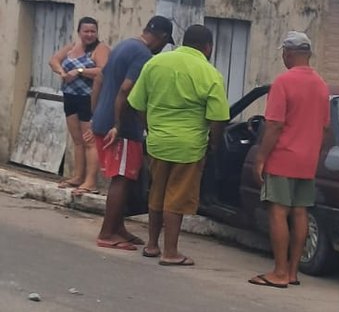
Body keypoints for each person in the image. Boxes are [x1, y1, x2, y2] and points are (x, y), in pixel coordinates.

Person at [128, 24, 230, 267]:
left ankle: (152, 245)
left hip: (158, 142)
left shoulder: (155, 64)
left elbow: (138, 104)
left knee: (157, 192)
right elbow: (218, 118)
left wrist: (152, 129)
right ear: (208, 47)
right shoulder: (210, 73)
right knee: (177, 198)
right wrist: (213, 144)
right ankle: (170, 252)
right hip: (189, 146)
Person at [248, 31, 330, 289]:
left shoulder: (283, 82)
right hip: (307, 161)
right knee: (300, 212)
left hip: (283, 157)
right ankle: (293, 272)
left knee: (278, 211)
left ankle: (279, 271)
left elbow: (274, 125)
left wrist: (261, 158)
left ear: (288, 53)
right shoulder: (321, 85)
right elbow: (325, 128)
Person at [89, 16, 174, 251]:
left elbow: (99, 79)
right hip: (123, 128)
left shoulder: (124, 45)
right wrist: (117, 124)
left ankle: (118, 228)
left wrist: (97, 115)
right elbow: (126, 91)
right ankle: (107, 233)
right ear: (163, 38)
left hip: (104, 122)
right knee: (122, 178)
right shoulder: (143, 55)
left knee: (123, 176)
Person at [50, 17, 110, 194]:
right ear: (79, 32)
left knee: (90, 141)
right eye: (86, 31)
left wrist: (80, 71)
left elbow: (103, 70)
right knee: (77, 140)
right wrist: (61, 72)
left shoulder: (100, 49)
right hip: (70, 97)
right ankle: (78, 176)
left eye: (93, 31)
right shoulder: (71, 48)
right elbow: (53, 60)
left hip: (89, 99)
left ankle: (90, 181)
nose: (90, 34)